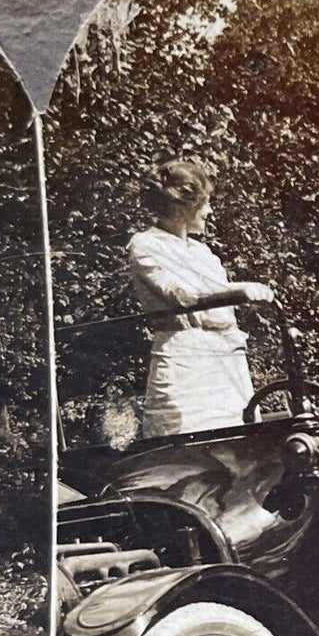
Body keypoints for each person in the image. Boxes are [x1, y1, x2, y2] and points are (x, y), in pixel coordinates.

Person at [129, 160, 274, 438]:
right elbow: (181, 295)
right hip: (185, 363)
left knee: (240, 447)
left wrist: (238, 292)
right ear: (183, 206)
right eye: (205, 203)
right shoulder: (146, 244)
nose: (209, 211)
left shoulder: (204, 254)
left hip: (226, 363)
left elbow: (219, 303)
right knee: (186, 451)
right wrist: (239, 291)